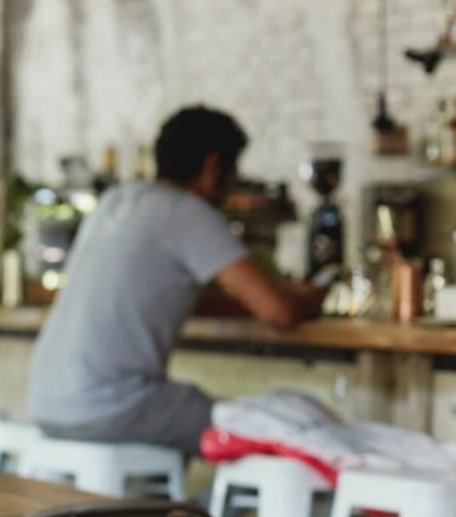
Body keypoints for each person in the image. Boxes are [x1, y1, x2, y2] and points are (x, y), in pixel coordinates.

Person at [27, 106, 326, 455]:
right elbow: (280, 313)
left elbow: (174, 297)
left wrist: (249, 304)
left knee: (194, 416)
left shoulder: (116, 201)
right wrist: (310, 297)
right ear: (215, 167)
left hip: (46, 402)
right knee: (258, 432)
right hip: (110, 405)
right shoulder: (188, 212)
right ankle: (199, 511)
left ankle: (156, 506)